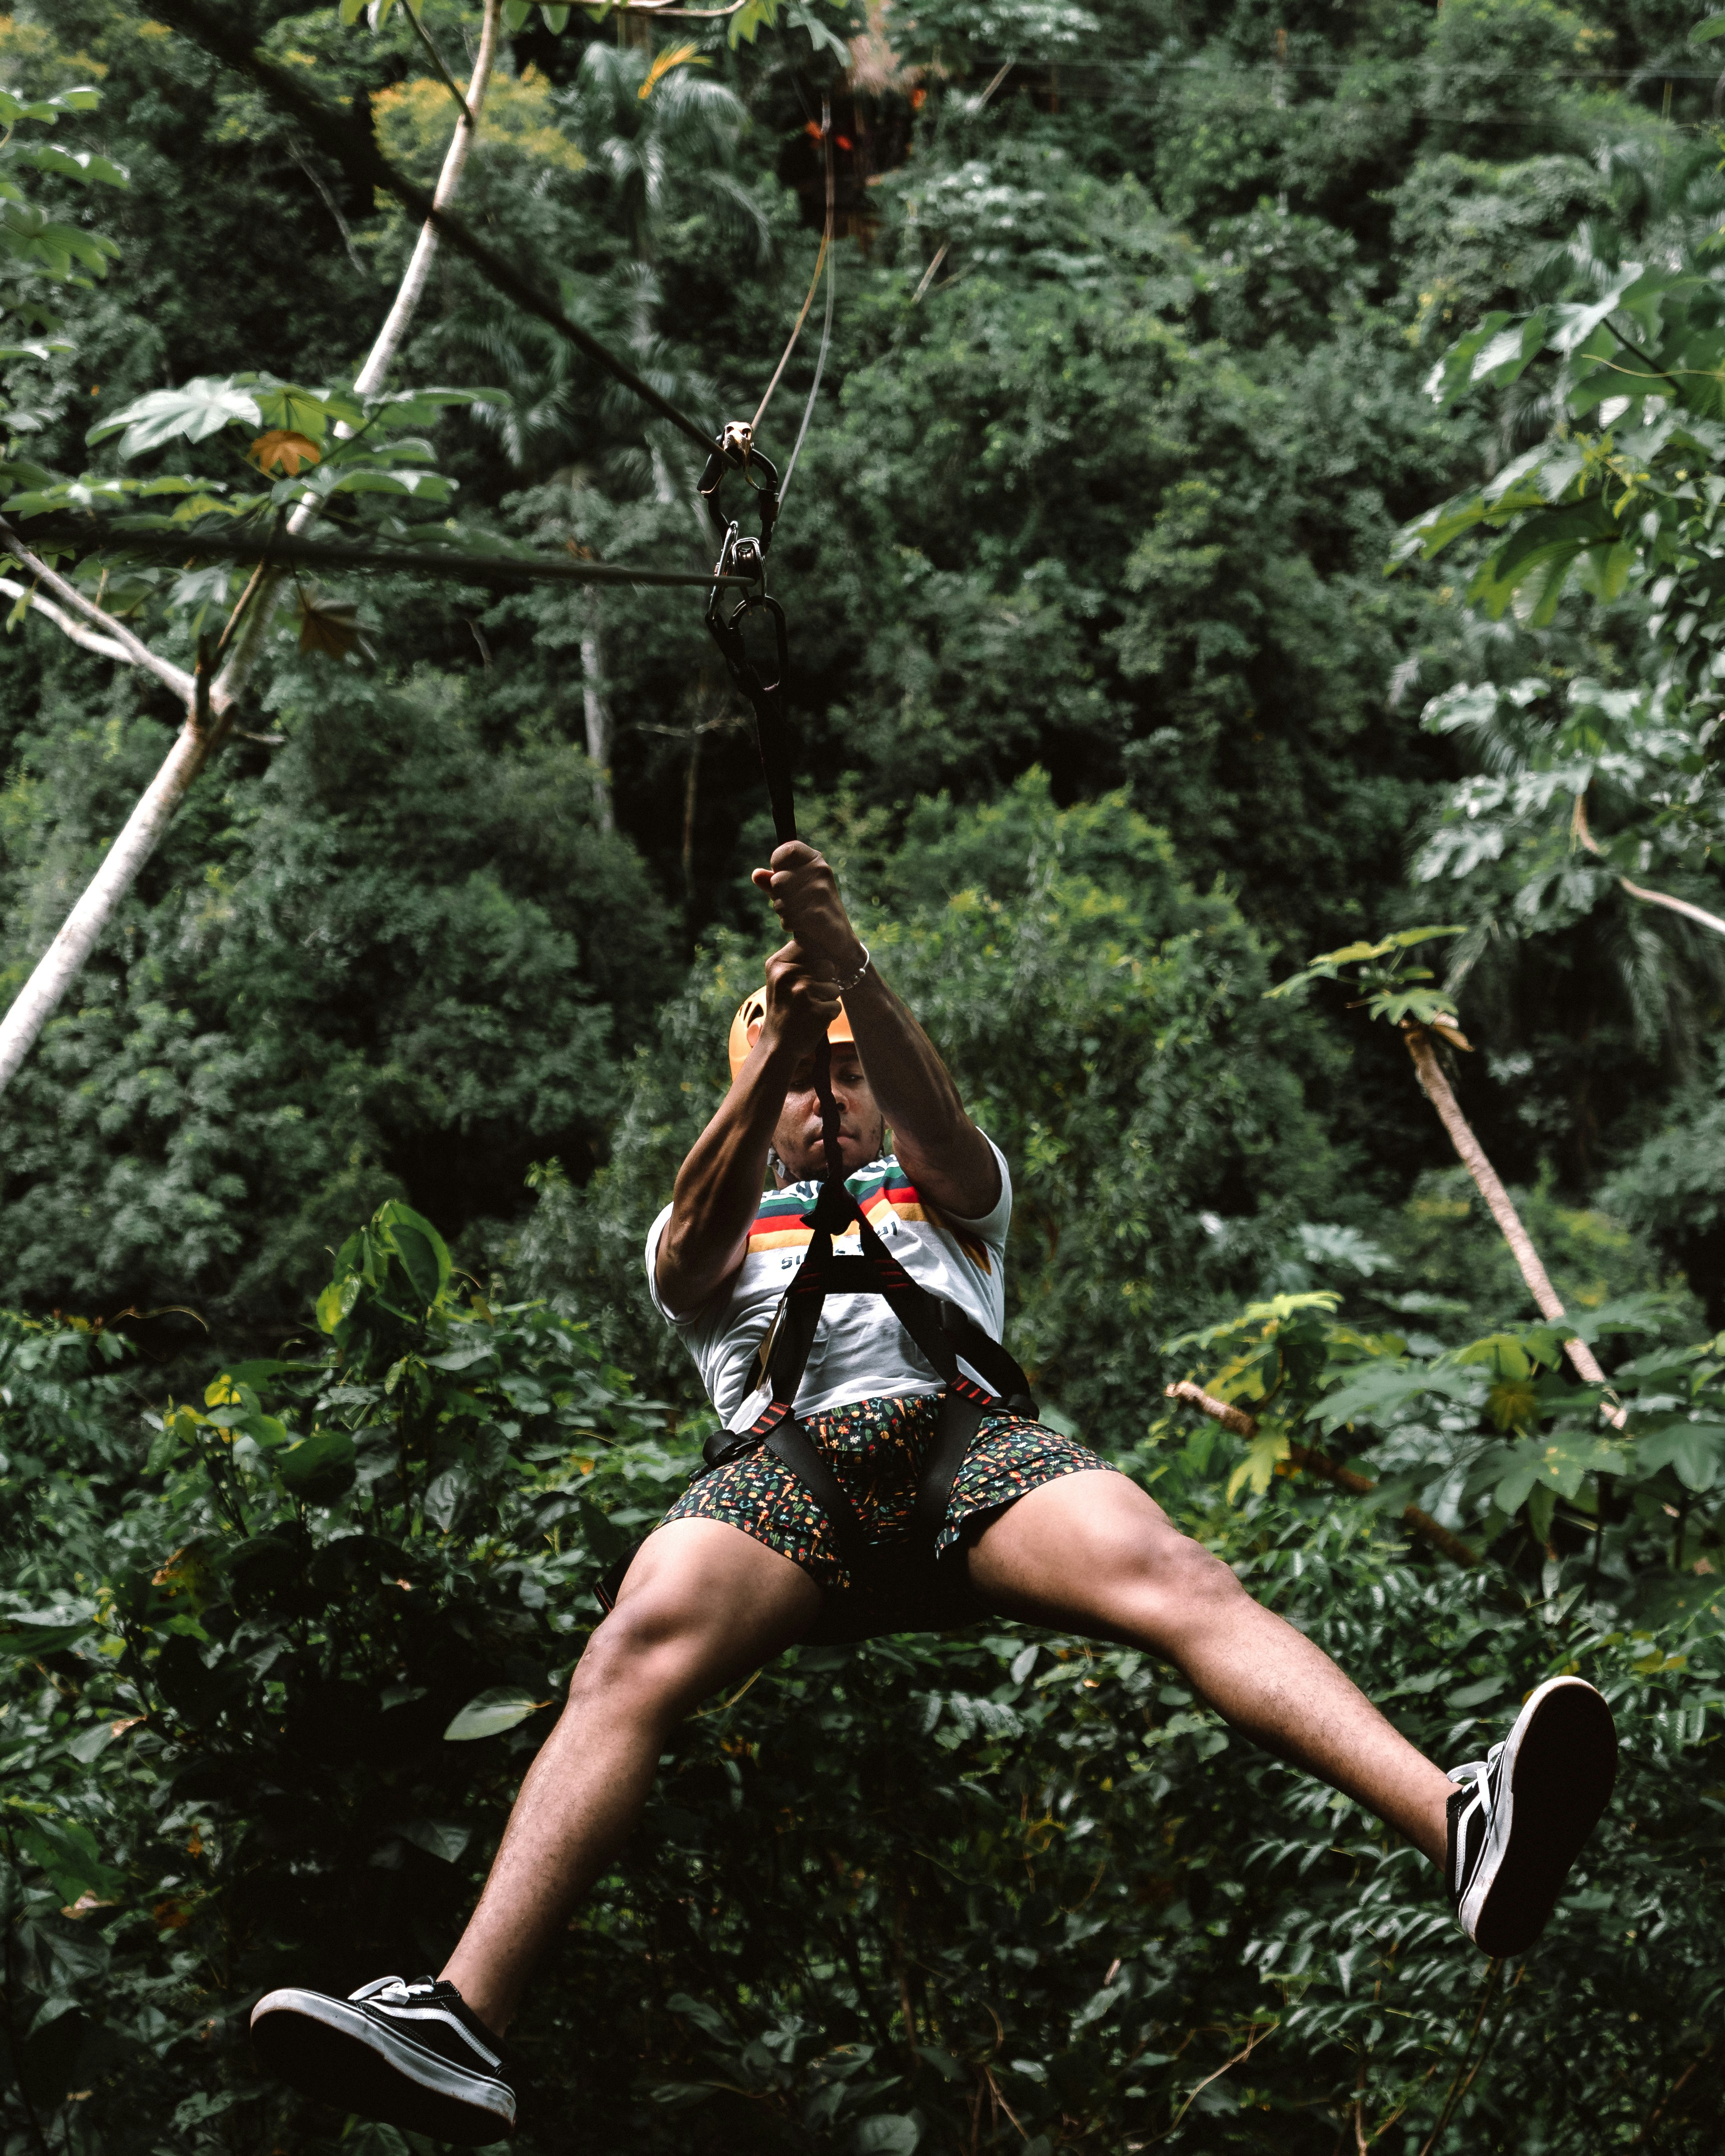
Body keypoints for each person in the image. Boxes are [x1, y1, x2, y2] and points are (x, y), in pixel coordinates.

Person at [251, 840, 1619, 2146]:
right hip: (789, 1483)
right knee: (633, 1644)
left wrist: (845, 969)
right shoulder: (711, 1226)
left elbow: (946, 1130)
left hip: (968, 1455)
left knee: (1174, 1572)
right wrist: (775, 1052)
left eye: (844, 1076)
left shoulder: (953, 1197)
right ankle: (464, 2018)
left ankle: (1457, 1821)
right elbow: (687, 1237)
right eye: (800, 1079)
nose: (825, 1095)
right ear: (757, 1093)